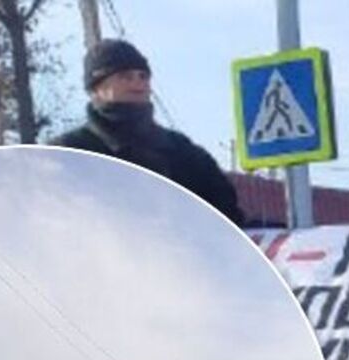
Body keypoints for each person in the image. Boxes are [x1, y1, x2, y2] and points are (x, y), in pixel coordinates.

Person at [50, 39, 241, 223]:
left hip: (174, 255)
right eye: (125, 76)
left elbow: (227, 219)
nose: (138, 83)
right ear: (97, 87)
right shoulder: (68, 154)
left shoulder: (182, 153)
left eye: (143, 76)